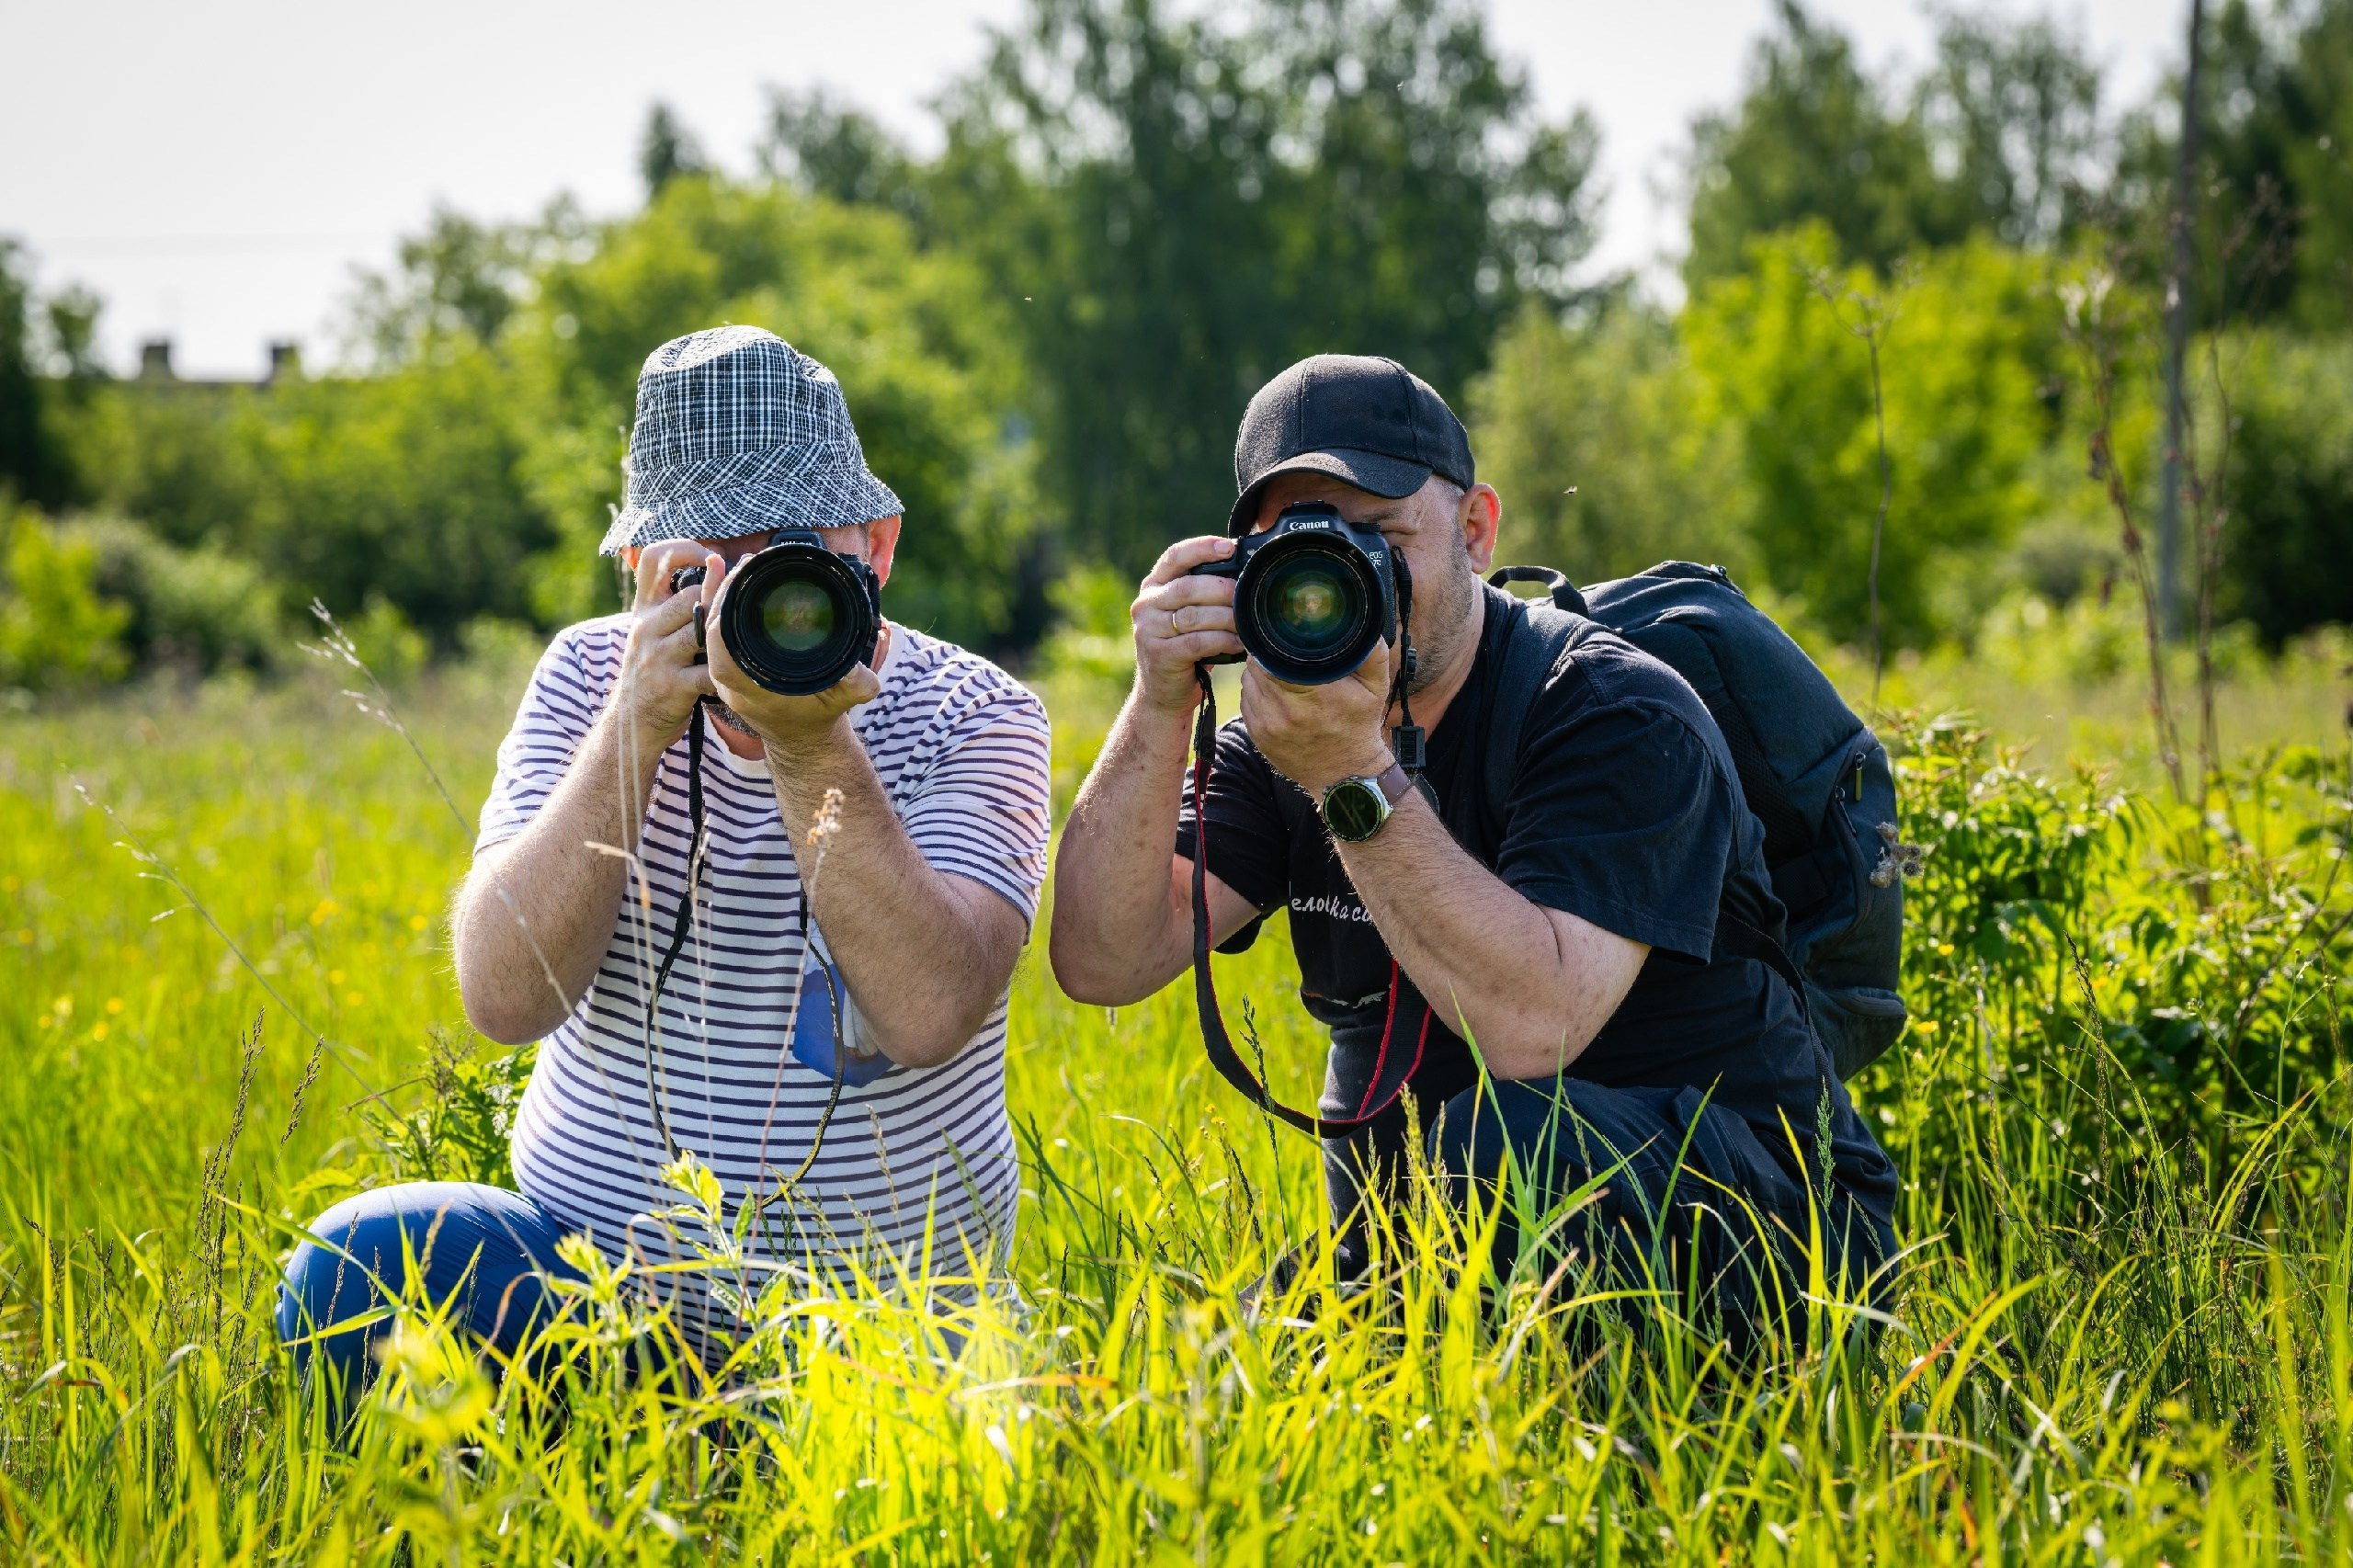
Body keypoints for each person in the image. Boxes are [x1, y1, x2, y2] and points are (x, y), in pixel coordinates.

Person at [1050, 353, 1898, 1341]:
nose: (1341, 575)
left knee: (1510, 1143)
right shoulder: (1284, 735)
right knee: (1197, 1371)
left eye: (1377, 535)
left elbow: (1534, 1029)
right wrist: (1158, 698)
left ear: (1476, 529)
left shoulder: (1612, 709)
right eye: (1299, 546)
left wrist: (1346, 775)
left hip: (1762, 1231)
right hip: (1442, 1253)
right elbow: (1102, 958)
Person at [278, 326, 1052, 1399]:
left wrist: (807, 737)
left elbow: (930, 1009)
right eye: (707, 561)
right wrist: (632, 726)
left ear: (873, 547)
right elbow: (502, 995)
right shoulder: (592, 675)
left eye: (788, 552)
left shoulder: (976, 712)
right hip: (595, 1298)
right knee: (352, 1266)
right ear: (643, 569)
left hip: (884, 1338)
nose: (751, 597)